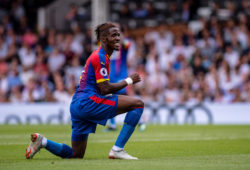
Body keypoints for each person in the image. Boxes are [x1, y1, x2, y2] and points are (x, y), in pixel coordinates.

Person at [25, 22, 144, 160]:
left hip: (77, 105)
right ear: (104, 39)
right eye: (114, 35)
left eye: (118, 35)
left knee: (76, 155)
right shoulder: (100, 56)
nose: (118, 38)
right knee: (138, 104)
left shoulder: (100, 56)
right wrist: (129, 81)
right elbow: (104, 88)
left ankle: (43, 142)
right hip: (89, 102)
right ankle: (117, 149)